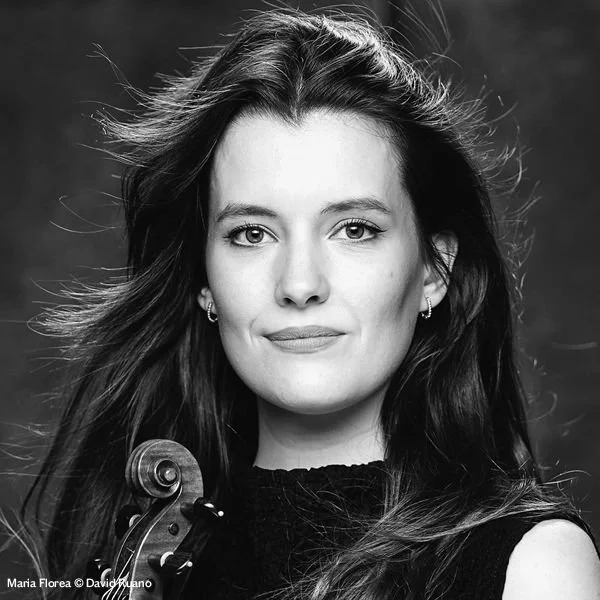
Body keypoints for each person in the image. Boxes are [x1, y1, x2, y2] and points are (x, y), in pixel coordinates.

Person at [20, 8, 600, 600]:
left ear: (434, 270)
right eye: (252, 233)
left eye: (354, 229)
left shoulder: (534, 567)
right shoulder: (140, 566)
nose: (299, 285)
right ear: (204, 280)